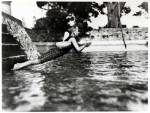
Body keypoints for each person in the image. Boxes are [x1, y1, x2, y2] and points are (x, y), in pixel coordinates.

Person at [12, 15, 91, 70]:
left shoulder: (70, 37)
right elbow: (78, 49)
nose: (79, 32)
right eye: (78, 30)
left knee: (38, 61)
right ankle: (19, 65)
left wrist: (83, 45)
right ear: (75, 30)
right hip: (55, 53)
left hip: (54, 51)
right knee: (38, 61)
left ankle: (20, 65)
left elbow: (70, 44)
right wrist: (85, 45)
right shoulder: (73, 39)